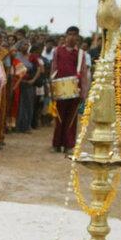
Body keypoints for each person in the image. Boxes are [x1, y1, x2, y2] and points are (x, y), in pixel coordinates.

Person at [50, 25, 87, 154]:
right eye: (69, 34)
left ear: (77, 37)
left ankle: (68, 145)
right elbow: (53, 69)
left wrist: (83, 92)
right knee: (59, 117)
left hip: (74, 89)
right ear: (66, 36)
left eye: (74, 35)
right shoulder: (58, 51)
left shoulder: (81, 54)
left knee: (71, 118)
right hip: (60, 88)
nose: (72, 37)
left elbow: (83, 72)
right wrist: (52, 88)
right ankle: (56, 144)